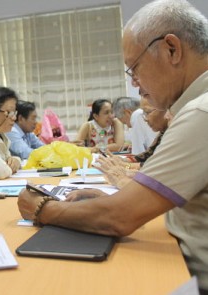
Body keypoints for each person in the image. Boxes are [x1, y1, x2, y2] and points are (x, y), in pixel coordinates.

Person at [17, 0, 208, 293]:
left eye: (134, 69)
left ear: (172, 49)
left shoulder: (200, 113)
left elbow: (118, 217)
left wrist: (42, 208)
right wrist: (127, 195)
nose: (135, 85)